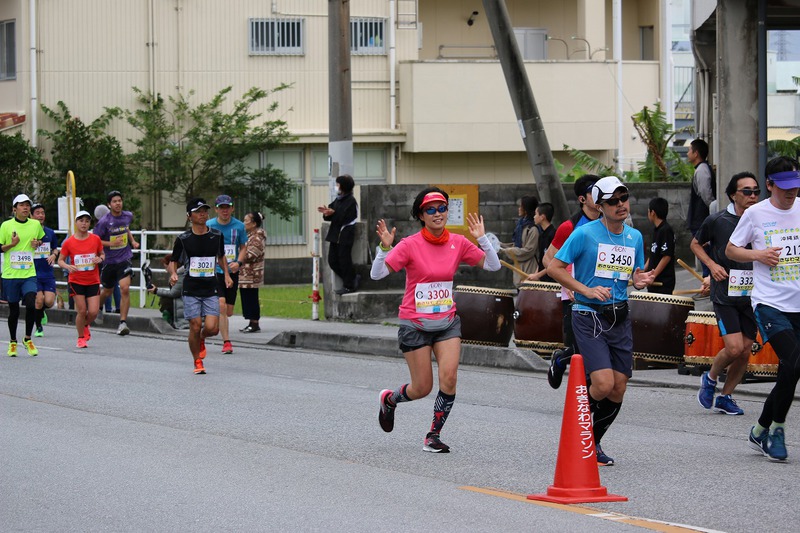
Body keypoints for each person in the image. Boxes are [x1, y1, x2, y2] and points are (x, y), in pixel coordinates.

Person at [371, 187, 501, 453]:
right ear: (421, 215)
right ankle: (390, 400)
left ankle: (433, 435)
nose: (438, 213)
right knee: (421, 388)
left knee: (449, 378)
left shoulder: (458, 243)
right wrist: (385, 248)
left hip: (447, 322)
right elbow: (377, 274)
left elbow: (493, 266)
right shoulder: (409, 244)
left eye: (442, 208)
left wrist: (482, 239)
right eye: (431, 209)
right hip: (415, 325)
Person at [547, 176, 656, 466]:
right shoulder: (584, 233)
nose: (621, 205)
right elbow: (554, 267)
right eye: (612, 201)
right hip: (587, 315)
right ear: (599, 204)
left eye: (624, 198)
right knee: (604, 383)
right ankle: (577, 422)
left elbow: (635, 273)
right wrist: (585, 289)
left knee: (619, 386)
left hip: (619, 315)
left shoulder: (634, 237)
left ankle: (591, 443)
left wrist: (640, 279)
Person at [727, 157, 800, 462]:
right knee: (795, 364)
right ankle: (777, 430)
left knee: (789, 371)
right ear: (769, 185)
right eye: (784, 189)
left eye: (795, 188)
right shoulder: (756, 214)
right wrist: (759, 254)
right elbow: (731, 249)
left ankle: (759, 430)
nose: (791, 194)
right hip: (770, 303)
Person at [691, 172, 760, 416]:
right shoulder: (717, 220)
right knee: (733, 348)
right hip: (725, 294)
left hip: (753, 295)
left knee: (745, 349)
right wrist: (712, 266)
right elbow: (695, 244)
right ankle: (710, 379)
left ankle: (726, 396)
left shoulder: (763, 220)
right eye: (747, 192)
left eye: (756, 191)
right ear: (733, 195)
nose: (753, 196)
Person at [534, 174, 601, 388]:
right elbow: (548, 259)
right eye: (594, 191)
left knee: (599, 346)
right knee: (578, 349)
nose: (600, 195)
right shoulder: (569, 227)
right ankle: (561, 359)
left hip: (603, 294)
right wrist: (567, 284)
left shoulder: (610, 223)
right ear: (582, 199)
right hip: (574, 296)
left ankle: (594, 394)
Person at [168, 198, 232, 375]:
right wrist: (173, 273)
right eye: (198, 211)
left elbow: (221, 257)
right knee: (195, 325)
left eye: (204, 210)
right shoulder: (183, 239)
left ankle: (202, 338)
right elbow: (174, 260)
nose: (202, 214)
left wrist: (226, 275)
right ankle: (197, 360)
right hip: (191, 288)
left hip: (211, 286)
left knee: (212, 328)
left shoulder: (216, 235)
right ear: (190, 216)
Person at [0, 194, 45, 356]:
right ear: (14, 209)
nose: (25, 207)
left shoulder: (35, 224)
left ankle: (27, 338)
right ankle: (13, 342)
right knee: (14, 310)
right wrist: (12, 244)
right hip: (11, 274)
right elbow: (0, 247)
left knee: (31, 303)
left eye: (27, 205)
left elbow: (40, 239)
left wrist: (37, 243)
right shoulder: (6, 226)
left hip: (28, 273)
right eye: (21, 205)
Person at [93, 190, 140, 335]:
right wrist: (111, 243)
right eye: (114, 201)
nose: (118, 203)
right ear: (109, 204)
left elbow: (126, 229)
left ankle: (123, 323)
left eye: (119, 200)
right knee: (107, 291)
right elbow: (95, 240)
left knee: (125, 288)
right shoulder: (104, 222)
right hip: (109, 261)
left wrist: (132, 241)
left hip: (124, 258)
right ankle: (99, 308)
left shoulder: (128, 216)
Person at [206, 194, 247, 354]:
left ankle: (211, 315)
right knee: (221, 306)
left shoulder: (239, 226)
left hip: (232, 271)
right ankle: (227, 342)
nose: (225, 211)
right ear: (216, 209)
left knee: (228, 311)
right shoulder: (209, 225)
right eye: (221, 208)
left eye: (227, 207)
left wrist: (238, 262)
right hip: (214, 271)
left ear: (232, 208)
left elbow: (243, 247)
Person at [58, 211, 105, 348]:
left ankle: (84, 325)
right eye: (81, 221)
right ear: (76, 222)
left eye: (87, 221)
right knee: (82, 310)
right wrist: (67, 266)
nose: (84, 223)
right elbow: (60, 260)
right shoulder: (69, 242)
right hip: (76, 280)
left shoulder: (95, 239)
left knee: (94, 312)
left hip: (93, 280)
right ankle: (80, 338)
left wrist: (100, 258)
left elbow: (102, 253)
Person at [318, 174, 360, 295]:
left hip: (345, 234)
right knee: (332, 261)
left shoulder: (351, 201)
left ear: (343, 186)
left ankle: (349, 285)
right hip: (335, 235)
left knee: (344, 260)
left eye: (338, 184)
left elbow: (345, 217)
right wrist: (327, 213)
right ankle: (353, 278)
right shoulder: (339, 199)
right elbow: (331, 212)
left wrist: (333, 213)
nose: (336, 187)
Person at [30, 203, 60, 338]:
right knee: (39, 300)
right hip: (32, 272)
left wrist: (54, 255)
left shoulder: (50, 232)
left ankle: (41, 312)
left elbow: (55, 248)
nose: (41, 215)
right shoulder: (28, 232)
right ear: (31, 215)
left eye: (42, 212)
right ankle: (39, 328)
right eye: (37, 213)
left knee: (48, 301)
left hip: (47, 273)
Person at [687, 138, 715, 276]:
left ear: (696, 153)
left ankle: (708, 282)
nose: (687, 153)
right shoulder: (701, 169)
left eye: (689, 150)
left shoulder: (702, 170)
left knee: (704, 253)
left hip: (701, 219)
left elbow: (706, 195)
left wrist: (712, 214)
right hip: (700, 219)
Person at [500, 196, 539, 286]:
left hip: (529, 269)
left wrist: (506, 250)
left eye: (521, 206)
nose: (519, 209)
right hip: (519, 269)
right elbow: (517, 245)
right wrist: (500, 245)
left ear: (526, 209)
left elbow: (528, 251)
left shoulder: (533, 229)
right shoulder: (521, 226)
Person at [238, 211, 266, 333]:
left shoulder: (257, 237)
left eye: (246, 221)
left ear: (254, 223)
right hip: (245, 274)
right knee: (246, 298)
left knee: (252, 298)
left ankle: (254, 323)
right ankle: (251, 322)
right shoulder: (250, 235)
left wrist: (237, 255)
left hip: (252, 274)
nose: (244, 223)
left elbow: (251, 255)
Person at [644, 197, 676, 295]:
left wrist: (654, 275)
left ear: (652, 212)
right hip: (653, 280)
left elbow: (666, 256)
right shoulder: (656, 230)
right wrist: (643, 270)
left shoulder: (666, 230)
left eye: (648, 211)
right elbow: (652, 255)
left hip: (663, 281)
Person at [147, 254, 188, 330]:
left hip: (184, 304)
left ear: (171, 264)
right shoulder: (179, 274)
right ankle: (168, 320)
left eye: (166, 267)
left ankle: (167, 320)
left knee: (166, 300)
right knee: (165, 298)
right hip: (182, 303)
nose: (166, 270)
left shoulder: (180, 275)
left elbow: (174, 293)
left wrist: (156, 291)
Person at [93, 204, 121, 313]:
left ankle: (108, 308)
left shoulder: (99, 226)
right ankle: (118, 307)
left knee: (107, 284)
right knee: (115, 284)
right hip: (117, 256)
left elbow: (97, 241)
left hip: (105, 257)